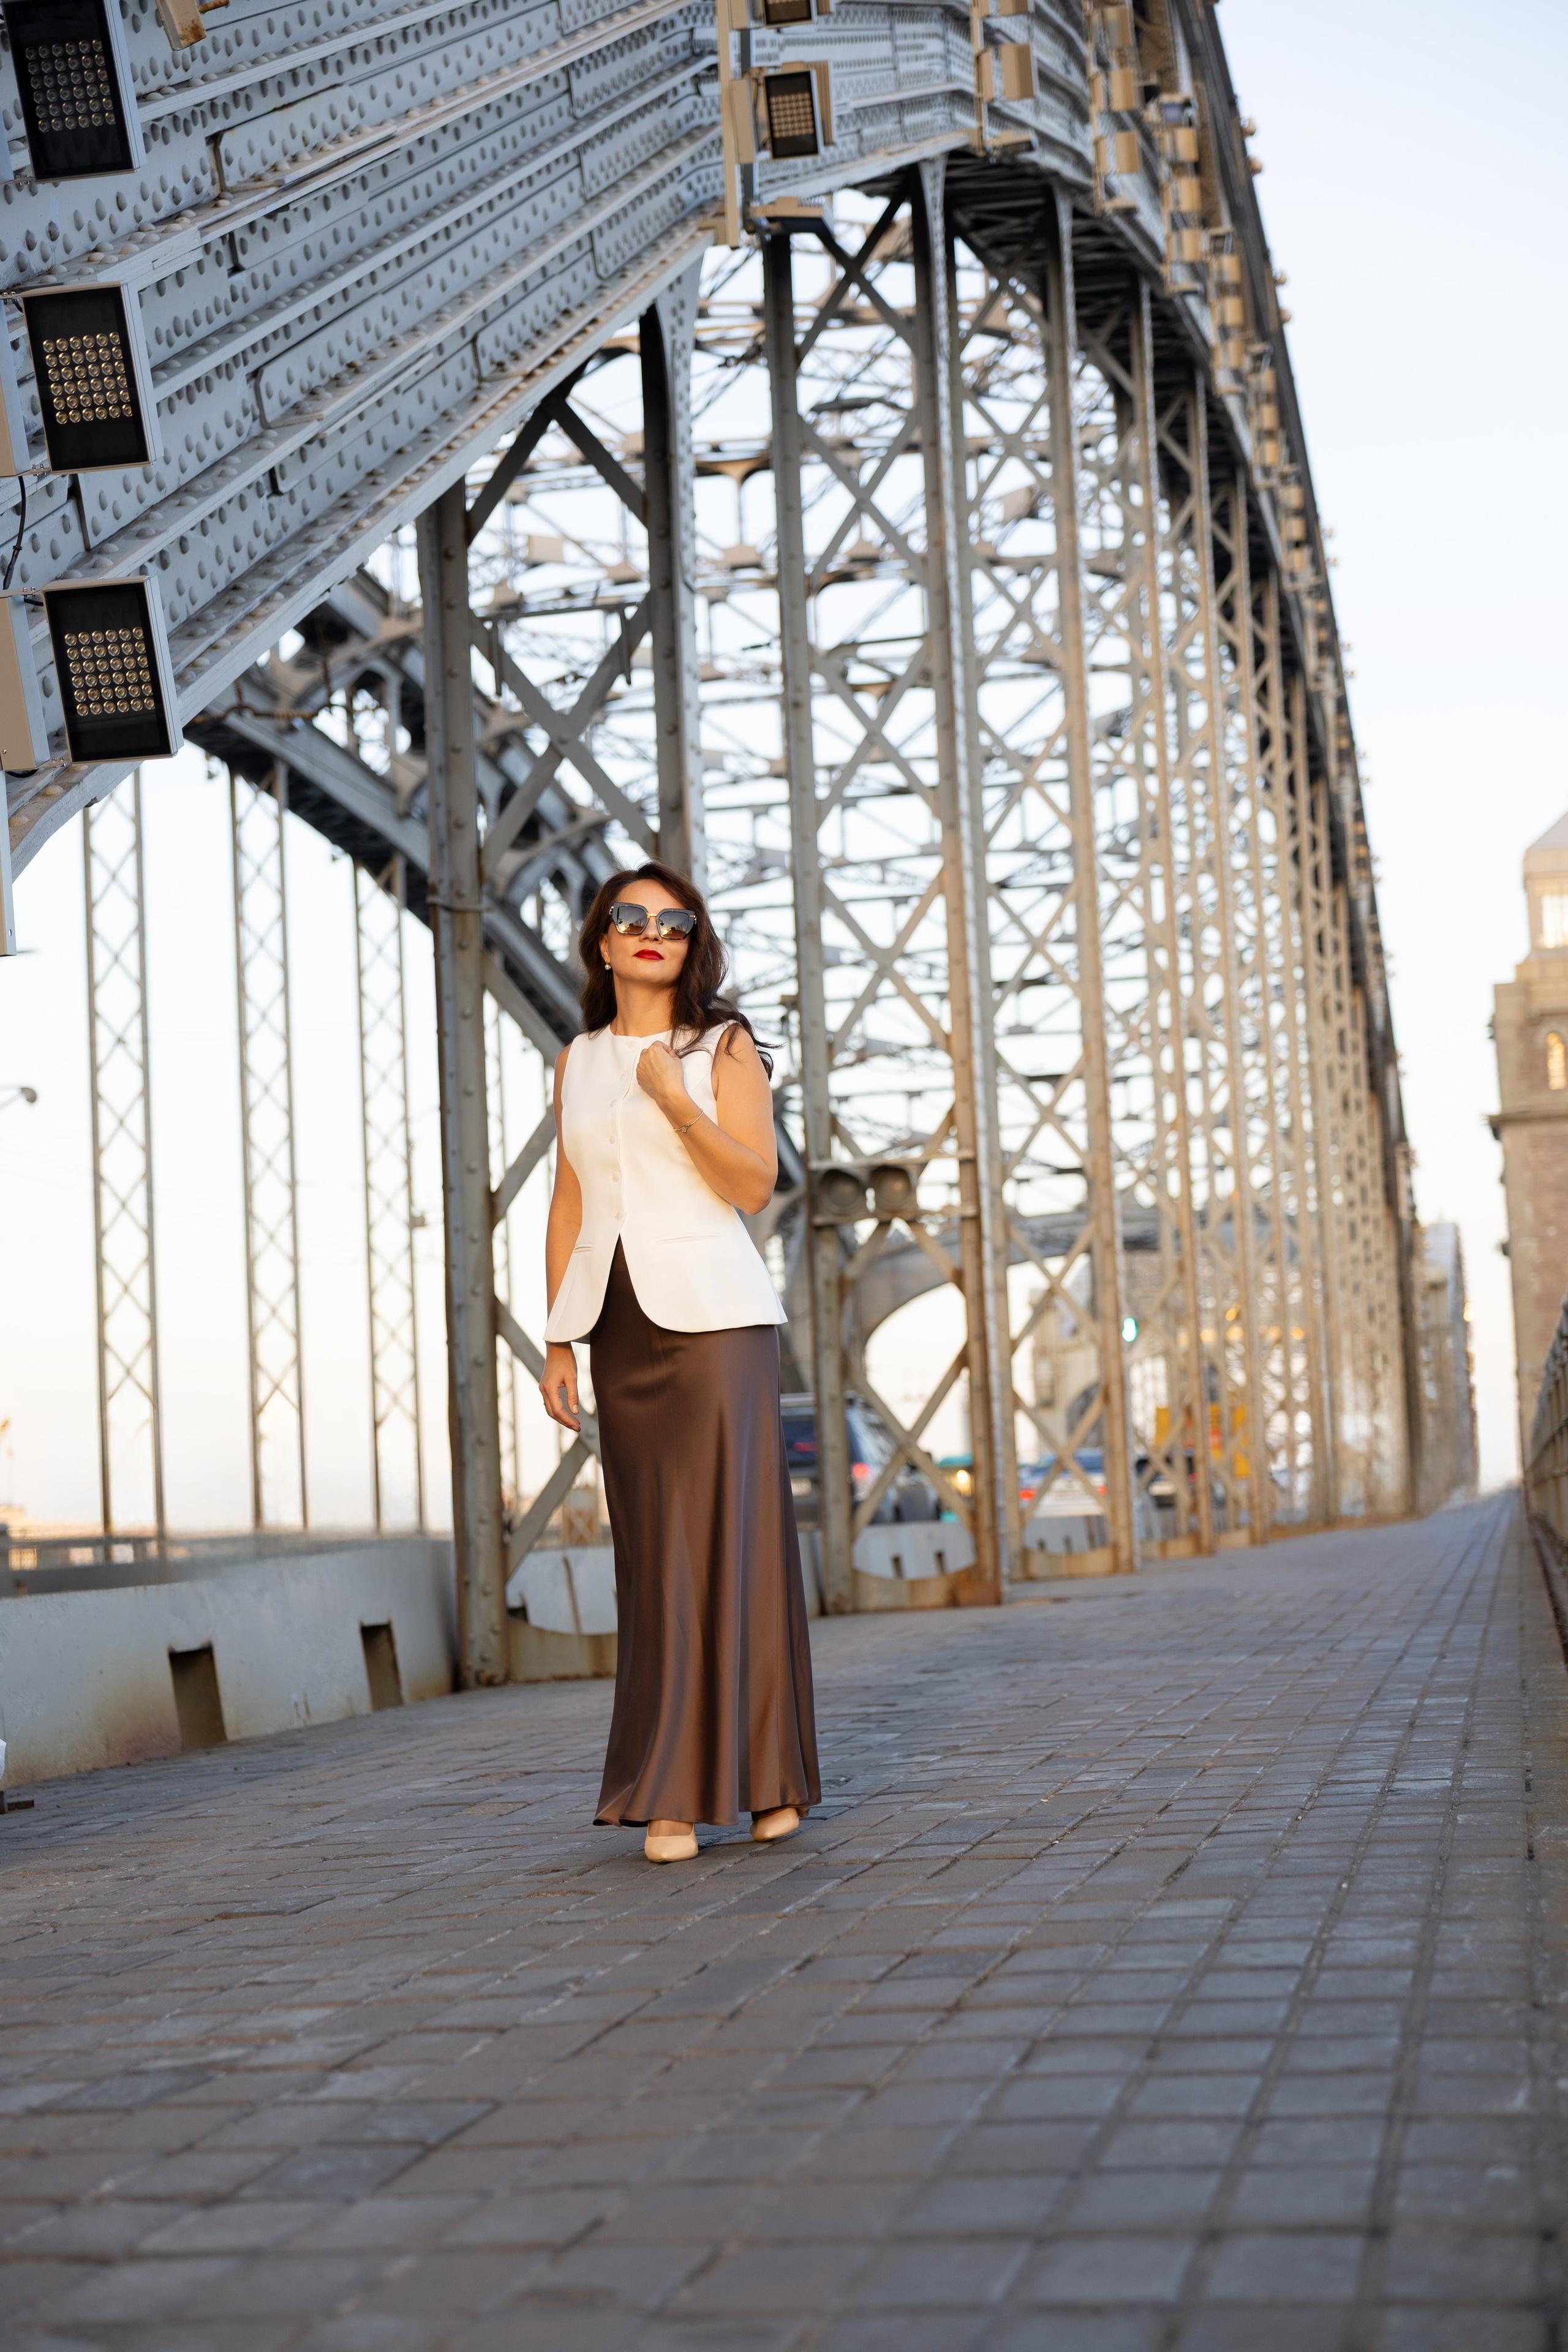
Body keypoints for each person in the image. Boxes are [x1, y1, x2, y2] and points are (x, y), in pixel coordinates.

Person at [538, 861, 821, 1863]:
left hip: (716, 1324)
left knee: (734, 1547)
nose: (652, 931)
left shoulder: (721, 1046)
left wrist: (674, 1096)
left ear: (690, 942)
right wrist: (557, 1337)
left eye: (674, 919)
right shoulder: (576, 1060)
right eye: (631, 917)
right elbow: (570, 1202)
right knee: (653, 1559)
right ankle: (668, 1784)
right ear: (604, 943)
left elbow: (753, 1185)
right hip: (617, 1324)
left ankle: (764, 1778)